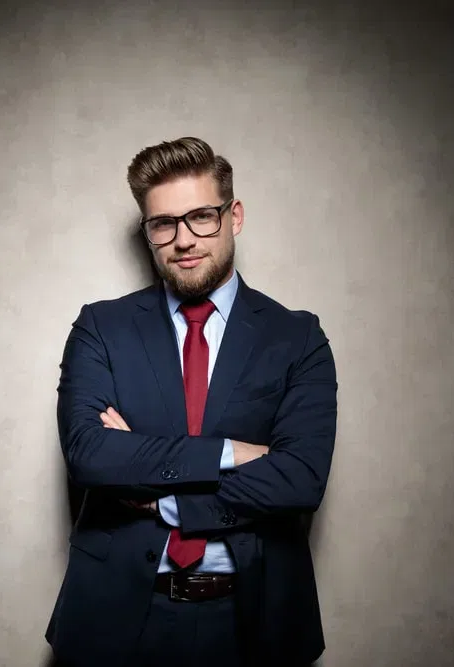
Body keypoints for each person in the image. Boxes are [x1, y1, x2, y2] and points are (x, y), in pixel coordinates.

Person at [44, 137, 338, 667]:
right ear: (148, 233)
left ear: (234, 215)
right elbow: (89, 454)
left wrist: (166, 498)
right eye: (164, 224)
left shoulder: (297, 338)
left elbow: (301, 479)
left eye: (202, 216)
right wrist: (230, 452)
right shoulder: (101, 328)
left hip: (255, 621)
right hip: (117, 620)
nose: (184, 239)